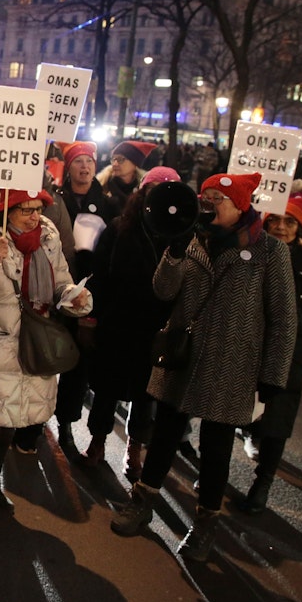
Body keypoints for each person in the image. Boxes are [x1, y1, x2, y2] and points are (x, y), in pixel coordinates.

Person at [111, 172, 296, 563]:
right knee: (164, 436)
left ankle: (205, 524)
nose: (209, 203)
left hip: (233, 365)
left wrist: (272, 378)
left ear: (242, 206)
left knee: (216, 449)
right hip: (184, 356)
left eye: (219, 198)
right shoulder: (191, 238)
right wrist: (175, 251)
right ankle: (141, 504)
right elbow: (163, 290)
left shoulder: (270, 252)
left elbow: (283, 320)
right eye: (206, 196)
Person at [0, 188, 92, 540]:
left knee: (12, 423)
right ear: (6, 211)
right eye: (24, 209)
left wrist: (75, 298)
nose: (33, 216)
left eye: (37, 209)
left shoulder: (49, 238)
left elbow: (60, 283)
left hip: (32, 344)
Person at [18, 140, 118, 459]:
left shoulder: (107, 205)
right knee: (43, 360)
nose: (85, 167)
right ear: (69, 167)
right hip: (49, 292)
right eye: (78, 162)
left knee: (76, 369)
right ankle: (30, 427)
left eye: (90, 161)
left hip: (83, 298)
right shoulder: (52, 201)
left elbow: (109, 261)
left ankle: (65, 428)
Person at [236, 191, 302, 513]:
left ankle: (262, 484)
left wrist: (291, 319)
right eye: (274, 219)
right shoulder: (249, 252)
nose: (280, 227)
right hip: (246, 349)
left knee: (276, 422)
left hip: (286, 356)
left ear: (300, 228)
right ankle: (215, 473)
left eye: (290, 221)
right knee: (232, 412)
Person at [85, 167, 182, 480]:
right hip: (119, 322)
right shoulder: (119, 227)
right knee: (107, 388)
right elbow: (100, 274)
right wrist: (93, 314)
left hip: (155, 329)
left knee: (145, 396)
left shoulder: (180, 236)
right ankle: (97, 441)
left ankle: (134, 448)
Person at [99, 140, 155, 215]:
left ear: (135, 163)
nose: (115, 164)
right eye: (113, 159)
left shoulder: (144, 190)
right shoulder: (102, 186)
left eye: (120, 160)